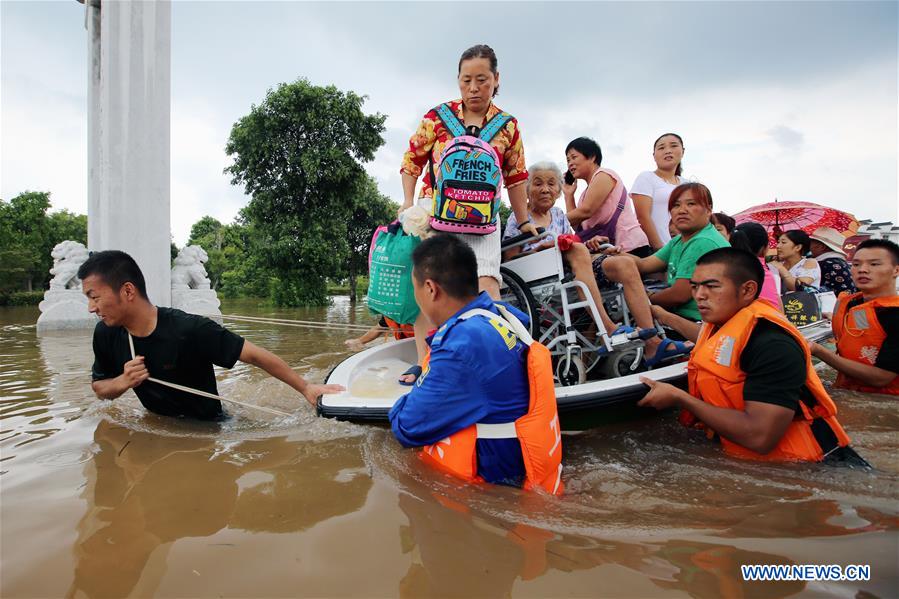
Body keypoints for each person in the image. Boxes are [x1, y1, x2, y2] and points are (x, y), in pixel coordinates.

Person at [638, 248, 864, 464]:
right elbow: (715, 345)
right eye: (695, 287)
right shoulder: (720, 324)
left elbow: (760, 438)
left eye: (712, 286)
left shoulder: (773, 343)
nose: (700, 295)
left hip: (808, 469)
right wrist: (664, 317)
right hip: (754, 463)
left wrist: (681, 398)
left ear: (747, 290)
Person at [397, 44, 534, 382]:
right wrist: (406, 203)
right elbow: (411, 162)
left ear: (496, 80)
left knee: (487, 286)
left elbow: (516, 177)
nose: (474, 88)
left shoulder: (508, 126)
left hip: (483, 220)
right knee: (432, 288)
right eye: (466, 80)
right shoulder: (437, 118)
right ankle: (427, 364)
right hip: (437, 214)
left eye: (482, 80)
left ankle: (491, 364)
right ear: (458, 81)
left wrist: (525, 220)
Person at [388, 235, 563, 494]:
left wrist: (403, 401)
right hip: (526, 472)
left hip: (502, 491)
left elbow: (407, 427)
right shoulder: (499, 314)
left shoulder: (461, 345)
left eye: (415, 291)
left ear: (430, 289)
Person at [80, 250, 343, 420]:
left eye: (94, 297)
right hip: (158, 424)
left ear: (127, 291)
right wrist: (123, 381)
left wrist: (306, 387)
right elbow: (100, 387)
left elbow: (253, 355)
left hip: (209, 427)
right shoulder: (106, 333)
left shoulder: (189, 329)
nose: (92, 307)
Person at [602, 182, 729, 367]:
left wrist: (646, 299)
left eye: (691, 204)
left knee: (625, 324)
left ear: (708, 210)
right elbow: (645, 264)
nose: (682, 210)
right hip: (686, 319)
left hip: (701, 324)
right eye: (676, 205)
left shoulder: (702, 241)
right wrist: (618, 254)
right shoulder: (680, 239)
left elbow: (679, 294)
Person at [503, 161, 626, 335]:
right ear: (527, 190)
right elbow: (509, 260)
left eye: (551, 184)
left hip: (566, 271)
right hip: (535, 277)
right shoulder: (519, 217)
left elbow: (570, 245)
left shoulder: (559, 215)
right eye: (538, 184)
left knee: (618, 259)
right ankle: (607, 326)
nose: (545, 189)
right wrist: (539, 252)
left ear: (558, 191)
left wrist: (594, 248)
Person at [810, 238, 899, 395]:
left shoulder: (895, 315)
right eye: (856, 264)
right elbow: (863, 330)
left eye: (874, 264)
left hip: (883, 401)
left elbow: (882, 378)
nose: (862, 270)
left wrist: (818, 350)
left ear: (896, 270)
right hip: (846, 390)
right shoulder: (853, 304)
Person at [631, 133, 686, 251]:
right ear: (654, 156)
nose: (668, 151)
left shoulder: (688, 184)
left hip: (685, 250)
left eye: (673, 146)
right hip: (658, 250)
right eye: (661, 148)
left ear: (683, 151)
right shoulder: (646, 178)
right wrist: (660, 250)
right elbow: (643, 217)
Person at [809, 227, 856, 295]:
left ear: (821, 247)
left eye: (811, 243)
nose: (809, 246)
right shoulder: (840, 262)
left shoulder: (823, 264)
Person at [345, 315, 414, 352]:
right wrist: (359, 341)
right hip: (405, 345)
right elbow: (378, 328)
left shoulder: (416, 310)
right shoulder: (389, 313)